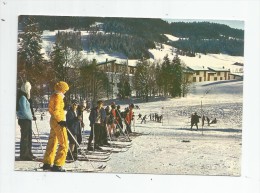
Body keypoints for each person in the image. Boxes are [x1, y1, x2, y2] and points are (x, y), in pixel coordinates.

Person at [42, 81, 69, 172]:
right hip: (58, 121)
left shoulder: (53, 96)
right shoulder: (58, 97)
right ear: (61, 89)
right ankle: (58, 164)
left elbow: (50, 109)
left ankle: (47, 162)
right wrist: (60, 120)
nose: (65, 91)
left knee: (52, 141)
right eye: (65, 90)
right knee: (64, 143)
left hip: (53, 120)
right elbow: (57, 110)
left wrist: (56, 118)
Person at [16, 81, 36, 161]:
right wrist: (31, 117)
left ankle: (29, 153)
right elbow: (24, 110)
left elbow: (28, 109)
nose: (29, 90)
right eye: (28, 89)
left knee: (29, 137)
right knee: (25, 137)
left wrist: (32, 116)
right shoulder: (22, 98)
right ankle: (24, 155)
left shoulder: (25, 97)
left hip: (27, 119)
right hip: (24, 120)